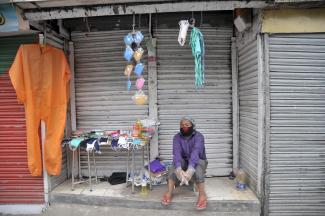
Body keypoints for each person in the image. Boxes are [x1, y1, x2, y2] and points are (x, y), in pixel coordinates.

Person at [161, 117, 208, 210]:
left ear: (193, 126)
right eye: (182, 125)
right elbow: (177, 153)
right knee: (172, 168)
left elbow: (196, 152)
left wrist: (189, 170)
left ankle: (202, 195)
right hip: (183, 160)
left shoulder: (199, 137)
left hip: (199, 160)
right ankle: (169, 192)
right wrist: (178, 169)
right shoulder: (177, 137)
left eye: (187, 125)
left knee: (198, 170)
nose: (184, 127)